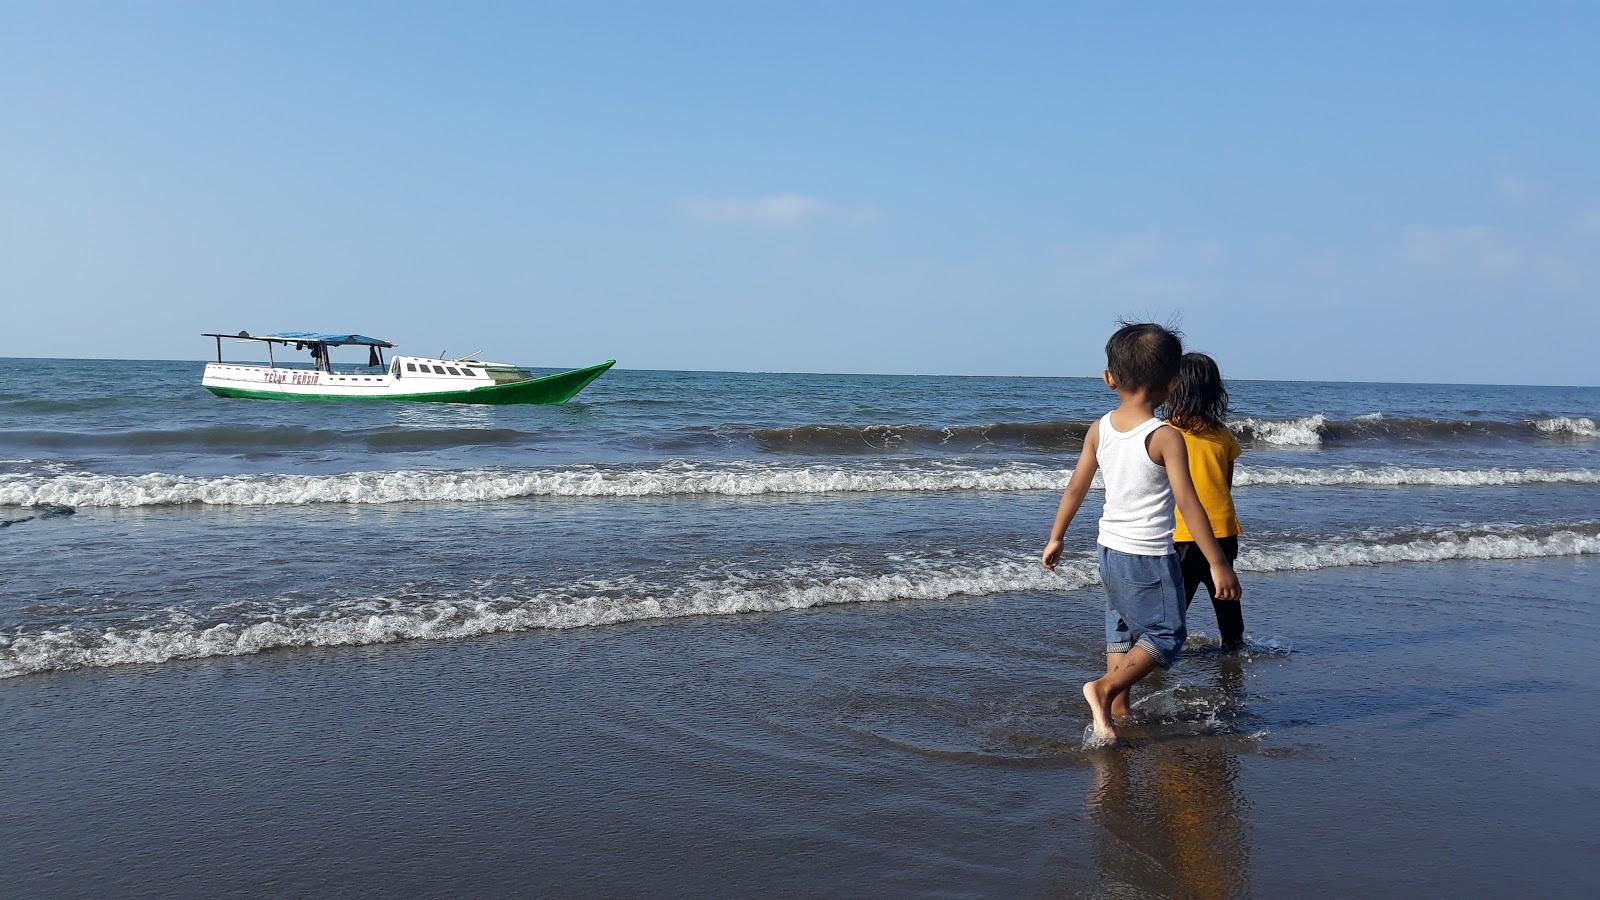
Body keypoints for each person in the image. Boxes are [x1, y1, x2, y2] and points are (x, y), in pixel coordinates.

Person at [1041, 323, 1241, 744]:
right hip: (1149, 553)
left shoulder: (1101, 428)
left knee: (1121, 627)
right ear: (1171, 384)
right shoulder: (1165, 436)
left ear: (1109, 378)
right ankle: (1105, 690)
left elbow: (1076, 486)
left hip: (1108, 548)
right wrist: (1219, 562)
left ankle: (1117, 713)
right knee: (1168, 635)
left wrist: (1057, 536)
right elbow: (1189, 503)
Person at [1167, 353, 1246, 652]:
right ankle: (1234, 653)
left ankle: (1154, 662)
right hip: (1223, 532)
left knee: (1173, 609)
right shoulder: (1223, 434)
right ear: (1214, 391)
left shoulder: (1164, 433)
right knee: (1227, 602)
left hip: (1182, 535)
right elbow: (1225, 486)